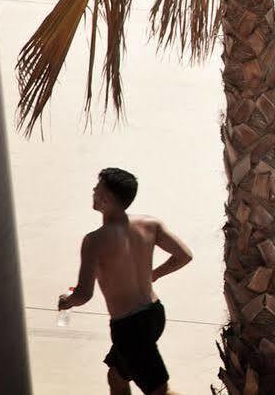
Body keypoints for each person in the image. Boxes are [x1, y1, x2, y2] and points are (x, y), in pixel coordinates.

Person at [58, 167, 192, 395]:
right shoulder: (150, 224)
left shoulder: (94, 241)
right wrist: (155, 274)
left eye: (97, 188)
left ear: (106, 198)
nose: (93, 191)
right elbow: (184, 255)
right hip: (154, 313)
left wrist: (67, 301)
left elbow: (84, 294)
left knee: (159, 391)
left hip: (129, 326)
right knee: (117, 376)